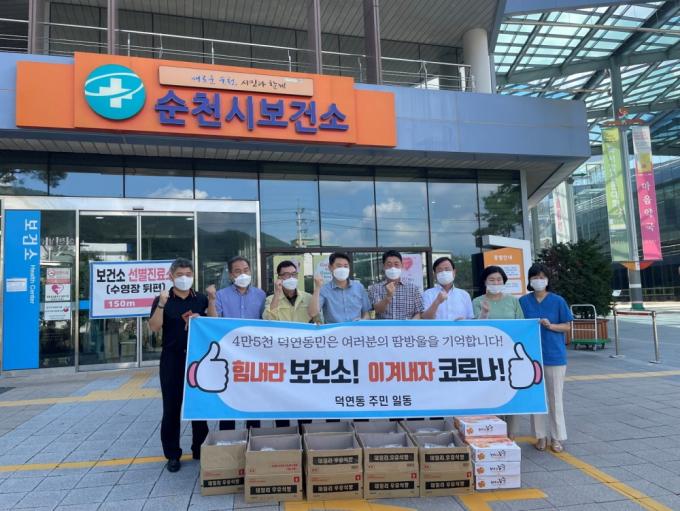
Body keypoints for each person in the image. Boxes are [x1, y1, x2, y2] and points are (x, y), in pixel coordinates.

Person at [148, 258, 209, 473]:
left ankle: (200, 448)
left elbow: (213, 323)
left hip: (197, 359)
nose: (185, 278)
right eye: (180, 274)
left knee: (199, 406)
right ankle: (173, 454)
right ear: (171, 276)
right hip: (172, 358)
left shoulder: (201, 298)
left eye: (188, 274)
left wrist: (204, 316)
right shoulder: (162, 300)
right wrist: (162, 304)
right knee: (172, 408)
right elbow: (154, 327)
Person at [519, 263, 573, 453]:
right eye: (535, 277)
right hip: (531, 357)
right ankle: (540, 436)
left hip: (554, 355)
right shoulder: (523, 302)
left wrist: (551, 326)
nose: (538, 280)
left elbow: (567, 326)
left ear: (548, 280)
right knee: (536, 399)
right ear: (530, 280)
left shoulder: (558, 301)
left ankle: (557, 437)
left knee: (555, 398)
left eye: (542, 277)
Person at [207, 255, 265, 431]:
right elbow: (213, 321)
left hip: (254, 355)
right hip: (229, 355)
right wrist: (211, 300)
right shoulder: (221, 295)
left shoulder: (260, 295)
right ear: (231, 275)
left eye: (246, 270)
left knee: (252, 398)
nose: (243, 274)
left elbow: (267, 322)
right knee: (229, 396)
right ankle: (228, 438)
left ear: (251, 271)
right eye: (238, 271)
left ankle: (253, 436)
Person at [263, 259, 319, 428]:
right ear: (278, 277)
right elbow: (268, 319)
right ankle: (284, 433)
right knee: (281, 397)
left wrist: (317, 289)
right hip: (280, 357)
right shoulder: (271, 299)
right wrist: (277, 293)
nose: (290, 278)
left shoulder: (307, 297)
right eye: (286, 275)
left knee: (304, 397)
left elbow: (317, 319)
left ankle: (304, 432)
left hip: (304, 356)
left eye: (293, 274)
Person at [472, 265, 524, 439]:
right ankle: (494, 432)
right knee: (491, 394)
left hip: (510, 356)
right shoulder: (478, 301)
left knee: (511, 393)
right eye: (491, 280)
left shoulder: (513, 301)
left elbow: (522, 324)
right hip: (488, 357)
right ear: (485, 282)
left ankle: (512, 434)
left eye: (499, 279)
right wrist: (484, 313)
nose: (495, 283)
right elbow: (476, 328)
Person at [308, 252, 371, 323]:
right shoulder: (324, 290)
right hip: (334, 330)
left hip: (356, 329)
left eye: (346, 266)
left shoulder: (359, 287)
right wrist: (317, 288)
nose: (343, 269)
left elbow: (366, 313)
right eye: (339, 266)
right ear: (330, 267)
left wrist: (363, 320)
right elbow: (313, 313)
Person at [369, 250, 423, 320]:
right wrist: (388, 296)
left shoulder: (413, 289)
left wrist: (411, 325)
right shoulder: (375, 288)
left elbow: (419, 312)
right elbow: (376, 310)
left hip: (406, 326)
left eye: (396, 264)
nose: (393, 268)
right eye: (389, 264)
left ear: (402, 266)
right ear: (384, 267)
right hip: (383, 327)